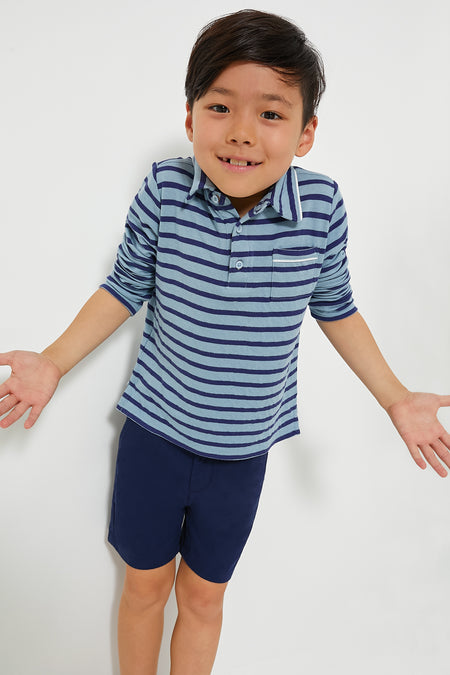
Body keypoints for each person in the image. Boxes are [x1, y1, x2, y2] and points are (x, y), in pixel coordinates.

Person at [0, 8, 449, 675]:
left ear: (305, 133)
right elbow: (123, 287)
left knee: (205, 598)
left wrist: (395, 397)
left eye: (270, 113)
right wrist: (52, 362)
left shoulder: (321, 209)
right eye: (220, 107)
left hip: (242, 453)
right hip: (156, 436)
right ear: (190, 119)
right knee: (145, 588)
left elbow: (336, 307)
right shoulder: (165, 189)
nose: (241, 132)